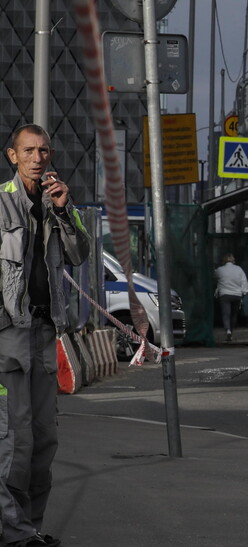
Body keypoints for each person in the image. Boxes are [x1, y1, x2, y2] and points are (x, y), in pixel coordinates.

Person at [1, 124, 90, 547]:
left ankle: (30, 529)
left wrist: (64, 209)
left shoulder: (57, 203)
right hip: (7, 335)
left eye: (44, 150)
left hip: (44, 331)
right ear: (12, 156)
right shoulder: (1, 204)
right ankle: (15, 533)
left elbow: (79, 254)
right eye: (29, 150)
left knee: (43, 440)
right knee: (13, 440)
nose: (39, 158)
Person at [214, 254, 248, 342]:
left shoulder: (220, 270)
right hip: (237, 295)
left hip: (224, 294)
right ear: (233, 261)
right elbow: (244, 282)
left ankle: (228, 330)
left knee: (226, 314)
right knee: (234, 314)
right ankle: (231, 331)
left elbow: (214, 276)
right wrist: (245, 292)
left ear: (223, 261)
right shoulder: (239, 269)